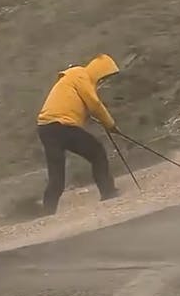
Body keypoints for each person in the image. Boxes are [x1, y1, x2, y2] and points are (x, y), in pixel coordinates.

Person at [36, 55, 121, 215]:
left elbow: (76, 106)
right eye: (104, 78)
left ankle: (48, 211)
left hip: (46, 128)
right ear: (99, 71)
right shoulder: (80, 74)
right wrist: (110, 124)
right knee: (97, 152)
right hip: (61, 126)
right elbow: (94, 103)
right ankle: (108, 191)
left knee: (57, 174)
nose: (102, 82)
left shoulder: (71, 78)